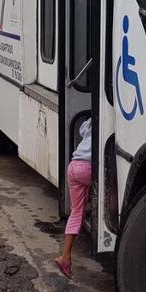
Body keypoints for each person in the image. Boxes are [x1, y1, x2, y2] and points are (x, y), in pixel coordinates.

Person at [54, 118, 92, 279]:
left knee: (77, 211)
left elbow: (82, 131)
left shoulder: (90, 121)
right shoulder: (108, 119)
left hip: (74, 166)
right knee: (111, 197)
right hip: (89, 168)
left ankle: (65, 256)